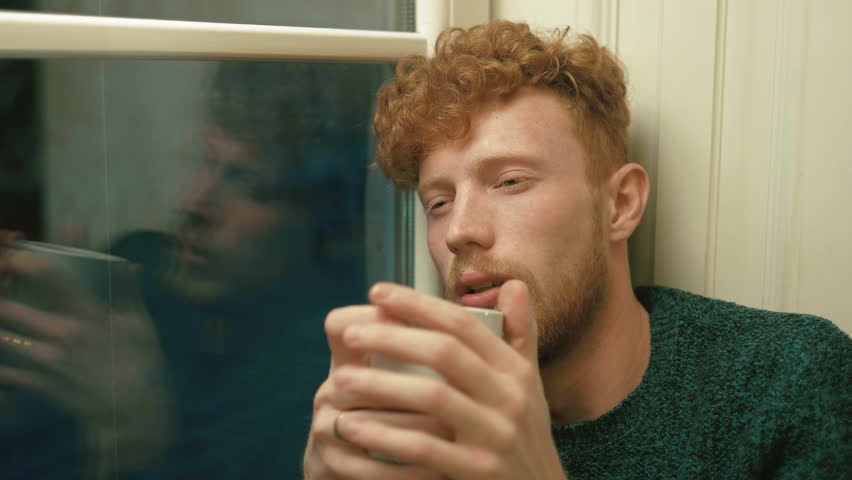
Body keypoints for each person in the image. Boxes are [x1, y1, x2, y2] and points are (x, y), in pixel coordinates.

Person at [302, 20, 852, 479]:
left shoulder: (783, 380)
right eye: (438, 202)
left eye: (510, 181)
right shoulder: (427, 424)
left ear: (620, 205)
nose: (458, 231)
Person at [0, 60, 376, 479]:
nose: (192, 203)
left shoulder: (329, 384)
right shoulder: (138, 272)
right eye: (207, 161)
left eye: (247, 183)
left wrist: (135, 426)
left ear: (339, 226)